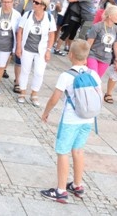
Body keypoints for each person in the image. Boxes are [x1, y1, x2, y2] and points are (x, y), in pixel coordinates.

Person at [41, 39, 100, 203]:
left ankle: (60, 190)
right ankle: (77, 185)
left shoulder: (66, 76)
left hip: (70, 120)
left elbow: (54, 98)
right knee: (79, 150)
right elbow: (98, 95)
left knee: (63, 152)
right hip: (87, 119)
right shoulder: (93, 74)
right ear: (87, 56)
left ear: (70, 55)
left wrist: (46, 112)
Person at [15, 0, 57, 106]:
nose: (34, 4)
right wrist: (18, 46)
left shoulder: (49, 17)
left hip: (41, 50)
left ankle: (34, 93)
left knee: (39, 72)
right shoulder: (28, 15)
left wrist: (48, 50)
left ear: (43, 6)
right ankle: (22, 92)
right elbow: (20, 31)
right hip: (27, 47)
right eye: (34, 1)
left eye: (37, 3)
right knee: (25, 70)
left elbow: (52, 35)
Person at [86, 4, 117, 81]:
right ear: (110, 16)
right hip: (93, 55)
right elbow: (89, 43)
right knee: (92, 77)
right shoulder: (97, 26)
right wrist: (84, 57)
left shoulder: (116, 29)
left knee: (96, 80)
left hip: (106, 58)